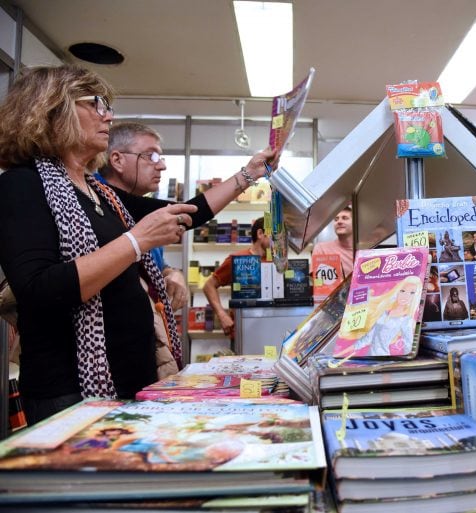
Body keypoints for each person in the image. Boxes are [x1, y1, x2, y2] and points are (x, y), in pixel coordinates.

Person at [0, 64, 277, 425]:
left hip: (129, 379)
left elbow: (190, 211)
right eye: (96, 104)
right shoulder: (21, 186)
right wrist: (137, 240)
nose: (108, 115)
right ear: (54, 109)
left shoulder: (100, 192)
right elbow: (38, 288)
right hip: (70, 391)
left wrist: (249, 173)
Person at [99, 121, 187, 311]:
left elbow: (156, 262)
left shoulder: (142, 211)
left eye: (160, 157)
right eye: (151, 156)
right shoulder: (96, 207)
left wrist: (172, 273)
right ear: (117, 160)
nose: (162, 165)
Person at [203, 218, 272, 338]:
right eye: (274, 235)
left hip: (271, 328)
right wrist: (221, 314)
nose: (277, 240)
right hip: (243, 331)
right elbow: (209, 285)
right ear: (260, 234)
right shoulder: (237, 259)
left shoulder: (276, 262)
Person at [338, 275, 422, 358]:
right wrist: (340, 354)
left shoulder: (406, 320)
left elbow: (408, 346)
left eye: (412, 293)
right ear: (397, 291)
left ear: (415, 296)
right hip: (369, 357)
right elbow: (366, 339)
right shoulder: (384, 312)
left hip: (384, 360)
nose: (405, 295)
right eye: (403, 291)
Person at [312, 206, 354, 277]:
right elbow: (319, 281)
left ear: (355, 223)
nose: (339, 222)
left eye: (345, 218)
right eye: (336, 219)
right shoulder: (321, 249)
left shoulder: (365, 250)